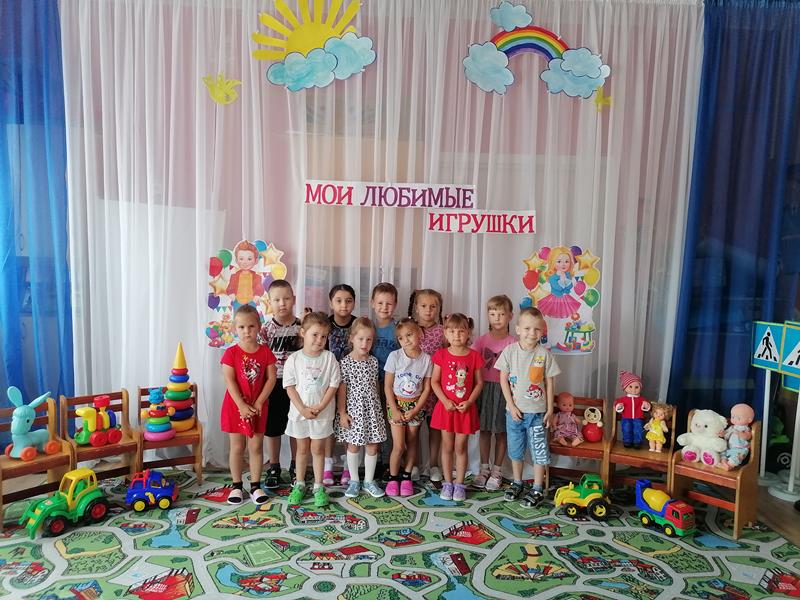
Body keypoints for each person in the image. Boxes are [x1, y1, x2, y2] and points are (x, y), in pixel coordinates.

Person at [496, 307, 561, 507]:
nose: (532, 333)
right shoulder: (510, 351)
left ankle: (538, 487)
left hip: (537, 414)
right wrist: (511, 405)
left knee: (539, 451)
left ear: (542, 331)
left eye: (536, 329)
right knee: (515, 450)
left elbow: (550, 383)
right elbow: (503, 379)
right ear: (517, 329)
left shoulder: (544, 354)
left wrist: (550, 410)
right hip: (514, 413)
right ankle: (517, 482)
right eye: (527, 328)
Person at [283, 312, 342, 507]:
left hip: (322, 414)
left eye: (324, 336)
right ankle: (299, 484)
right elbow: (290, 386)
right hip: (299, 414)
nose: (319, 340)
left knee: (318, 449)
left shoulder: (329, 358)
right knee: (301, 449)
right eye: (315, 335)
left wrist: (321, 406)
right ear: (303, 333)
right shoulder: (294, 359)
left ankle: (318, 486)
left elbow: (334, 385)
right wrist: (302, 409)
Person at [220, 305, 277, 504]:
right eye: (242, 327)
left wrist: (260, 401)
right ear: (235, 328)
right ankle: (236, 486)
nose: (247, 331)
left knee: (256, 446)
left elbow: (271, 379)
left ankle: (255, 486)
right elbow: (229, 381)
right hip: (235, 407)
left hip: (258, 407)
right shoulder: (231, 353)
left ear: (259, 327)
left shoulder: (265, 352)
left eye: (251, 326)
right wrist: (241, 405)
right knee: (237, 447)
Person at [429, 313, 484, 502]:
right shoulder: (441, 355)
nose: (457, 335)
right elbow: (434, 382)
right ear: (445, 333)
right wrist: (445, 401)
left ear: (468, 333)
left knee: (461, 447)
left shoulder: (474, 356)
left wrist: (469, 402)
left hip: (464, 410)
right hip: (446, 409)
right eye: (452, 331)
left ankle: (459, 484)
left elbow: (479, 383)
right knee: (447, 446)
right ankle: (447, 483)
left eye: (461, 331)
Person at [334, 317, 386, 498]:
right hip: (354, 412)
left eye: (369, 340)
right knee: (353, 445)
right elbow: (342, 390)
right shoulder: (345, 362)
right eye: (361, 339)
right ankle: (354, 480)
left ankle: (369, 481)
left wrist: (378, 410)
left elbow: (376, 386)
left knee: (372, 446)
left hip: (371, 411)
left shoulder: (373, 362)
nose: (365, 344)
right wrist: (342, 413)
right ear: (352, 338)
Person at [258, 280, 302, 488]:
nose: (282, 303)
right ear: (269, 302)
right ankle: (274, 466)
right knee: (272, 429)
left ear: (294, 299)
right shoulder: (265, 329)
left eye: (286, 298)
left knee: (296, 427)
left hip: (298, 384)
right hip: (273, 383)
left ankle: (295, 466)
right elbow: (260, 358)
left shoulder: (302, 327)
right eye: (276, 300)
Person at [471, 295, 516, 490]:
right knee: (485, 430)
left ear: (510, 316)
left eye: (501, 314)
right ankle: (484, 469)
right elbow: (471, 363)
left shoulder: (513, 342)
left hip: (505, 391)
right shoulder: (481, 340)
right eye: (492, 314)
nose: (497, 318)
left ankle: (497, 471)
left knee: (501, 431)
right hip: (484, 389)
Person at [385, 318, 432, 496]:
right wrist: (394, 409)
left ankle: (406, 477)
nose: (406, 340)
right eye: (401, 338)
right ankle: (393, 478)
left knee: (412, 443)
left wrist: (415, 410)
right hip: (396, 404)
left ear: (419, 333)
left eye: (409, 335)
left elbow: (426, 389)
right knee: (399, 446)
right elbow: (387, 386)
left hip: (415, 406)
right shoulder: (395, 356)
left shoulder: (426, 359)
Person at [408, 288, 445, 482]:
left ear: (438, 308)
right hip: (412, 388)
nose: (428, 310)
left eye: (433, 306)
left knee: (435, 427)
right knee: (413, 429)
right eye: (423, 306)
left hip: (436, 389)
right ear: (416, 307)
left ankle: (433, 464)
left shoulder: (443, 331)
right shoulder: (409, 328)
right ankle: (413, 464)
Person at [324, 283, 358, 486]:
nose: (343, 305)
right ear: (331, 303)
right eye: (338, 301)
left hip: (352, 383)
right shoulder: (326, 325)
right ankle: (327, 465)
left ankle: (347, 465)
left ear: (354, 303)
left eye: (348, 300)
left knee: (348, 422)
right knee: (329, 423)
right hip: (328, 382)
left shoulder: (358, 324)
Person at [370, 282, 400, 476]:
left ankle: (390, 462)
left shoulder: (397, 329)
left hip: (392, 384)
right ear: (373, 303)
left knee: (391, 424)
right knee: (375, 421)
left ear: (395, 305)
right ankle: (376, 461)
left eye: (389, 303)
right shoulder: (369, 328)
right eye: (380, 303)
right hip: (371, 383)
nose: (384, 307)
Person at [536, 246, 581, 318]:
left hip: (566, 298)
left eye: (566, 261)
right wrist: (563, 280)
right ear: (553, 262)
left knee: (566, 314)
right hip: (555, 298)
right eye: (559, 261)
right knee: (555, 313)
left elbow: (570, 286)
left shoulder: (568, 274)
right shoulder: (552, 277)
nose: (563, 264)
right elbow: (558, 288)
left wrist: (566, 280)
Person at [613, 371, 651, 448]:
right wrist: (619, 406)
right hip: (626, 417)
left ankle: (637, 442)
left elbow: (647, 406)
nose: (633, 389)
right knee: (626, 429)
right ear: (625, 388)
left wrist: (646, 405)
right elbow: (617, 404)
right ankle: (627, 441)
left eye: (636, 387)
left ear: (640, 388)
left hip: (638, 417)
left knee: (638, 429)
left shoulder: (641, 399)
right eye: (630, 387)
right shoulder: (623, 399)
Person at [226, 240, 265, 310]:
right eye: (241, 259)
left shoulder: (257, 277)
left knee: (252, 316)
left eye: (249, 259)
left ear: (256, 261)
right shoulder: (234, 276)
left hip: (252, 304)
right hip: (237, 303)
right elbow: (230, 289)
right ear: (237, 260)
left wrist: (253, 301)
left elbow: (260, 291)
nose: (245, 262)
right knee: (238, 316)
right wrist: (235, 300)